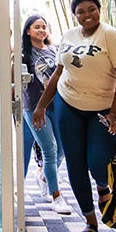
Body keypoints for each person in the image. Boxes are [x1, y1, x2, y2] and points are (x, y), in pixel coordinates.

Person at [32, 0, 116, 232]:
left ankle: (102, 186)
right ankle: (90, 221)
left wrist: (114, 112)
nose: (87, 15)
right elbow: (57, 74)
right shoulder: (68, 36)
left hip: (101, 108)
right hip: (69, 104)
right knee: (75, 165)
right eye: (81, 11)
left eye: (91, 9)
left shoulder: (111, 36)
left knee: (98, 161)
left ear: (99, 9)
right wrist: (42, 105)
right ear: (74, 15)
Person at [20, 14, 71, 214]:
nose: (41, 30)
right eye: (37, 27)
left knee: (62, 150)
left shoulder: (55, 50)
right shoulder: (24, 53)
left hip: (57, 105)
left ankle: (43, 176)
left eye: (44, 27)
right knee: (49, 150)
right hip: (34, 106)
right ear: (28, 31)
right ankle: (57, 196)